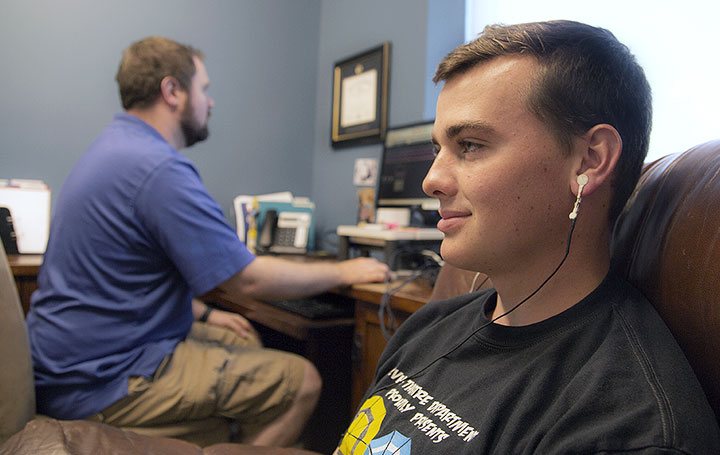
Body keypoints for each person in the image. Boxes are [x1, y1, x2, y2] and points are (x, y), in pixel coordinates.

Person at [335, 20, 720, 454]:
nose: (431, 180)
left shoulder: (625, 427)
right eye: (437, 149)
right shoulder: (431, 325)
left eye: (471, 145)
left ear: (589, 161)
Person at [25, 36, 390, 448]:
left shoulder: (112, 150)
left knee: (241, 335)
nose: (210, 102)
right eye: (204, 88)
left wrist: (202, 315)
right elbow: (247, 281)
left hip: (66, 363)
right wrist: (345, 270)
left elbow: (123, 278)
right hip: (101, 379)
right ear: (173, 91)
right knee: (302, 382)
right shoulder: (158, 168)